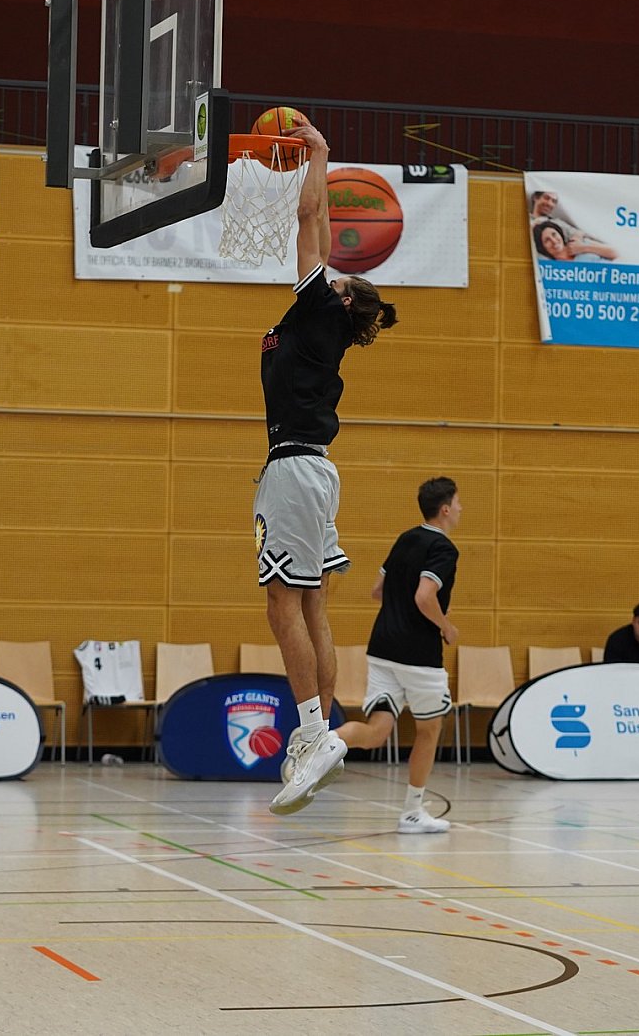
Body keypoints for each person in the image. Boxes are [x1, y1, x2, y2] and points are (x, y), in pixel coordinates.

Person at [256, 121, 397, 816]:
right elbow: (316, 226)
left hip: (294, 470)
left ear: (341, 297)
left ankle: (313, 733)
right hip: (311, 469)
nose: (326, 269)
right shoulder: (324, 318)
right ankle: (321, 733)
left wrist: (319, 154)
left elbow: (311, 214)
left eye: (338, 277)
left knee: (282, 603)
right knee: (310, 602)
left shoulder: (318, 308)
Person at [334, 477, 461, 834]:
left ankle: (325, 742)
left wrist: (399, 607)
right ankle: (412, 812)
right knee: (429, 729)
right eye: (458, 503)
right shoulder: (444, 548)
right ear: (445, 509)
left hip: (382, 647)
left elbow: (377, 590)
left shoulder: (405, 539)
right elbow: (424, 596)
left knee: (377, 731)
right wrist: (446, 626)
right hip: (418, 653)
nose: (461, 509)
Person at [532, 220, 617, 262]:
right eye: (547, 240)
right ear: (542, 247)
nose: (554, 241)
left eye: (554, 234)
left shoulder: (578, 242)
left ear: (560, 233)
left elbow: (615, 253)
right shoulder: (550, 265)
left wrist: (582, 248)